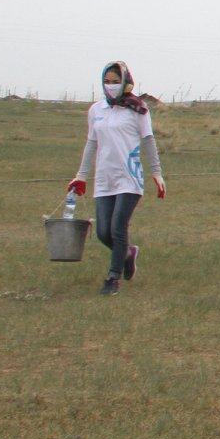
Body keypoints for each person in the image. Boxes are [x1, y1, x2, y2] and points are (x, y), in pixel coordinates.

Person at [67, 61, 165, 295]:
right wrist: (81, 175)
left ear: (125, 82)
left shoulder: (138, 109)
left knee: (118, 228)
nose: (110, 86)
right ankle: (128, 254)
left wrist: (157, 173)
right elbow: (91, 143)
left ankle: (113, 278)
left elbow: (148, 141)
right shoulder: (96, 110)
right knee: (103, 232)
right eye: (107, 82)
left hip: (129, 178)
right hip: (105, 178)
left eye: (115, 81)